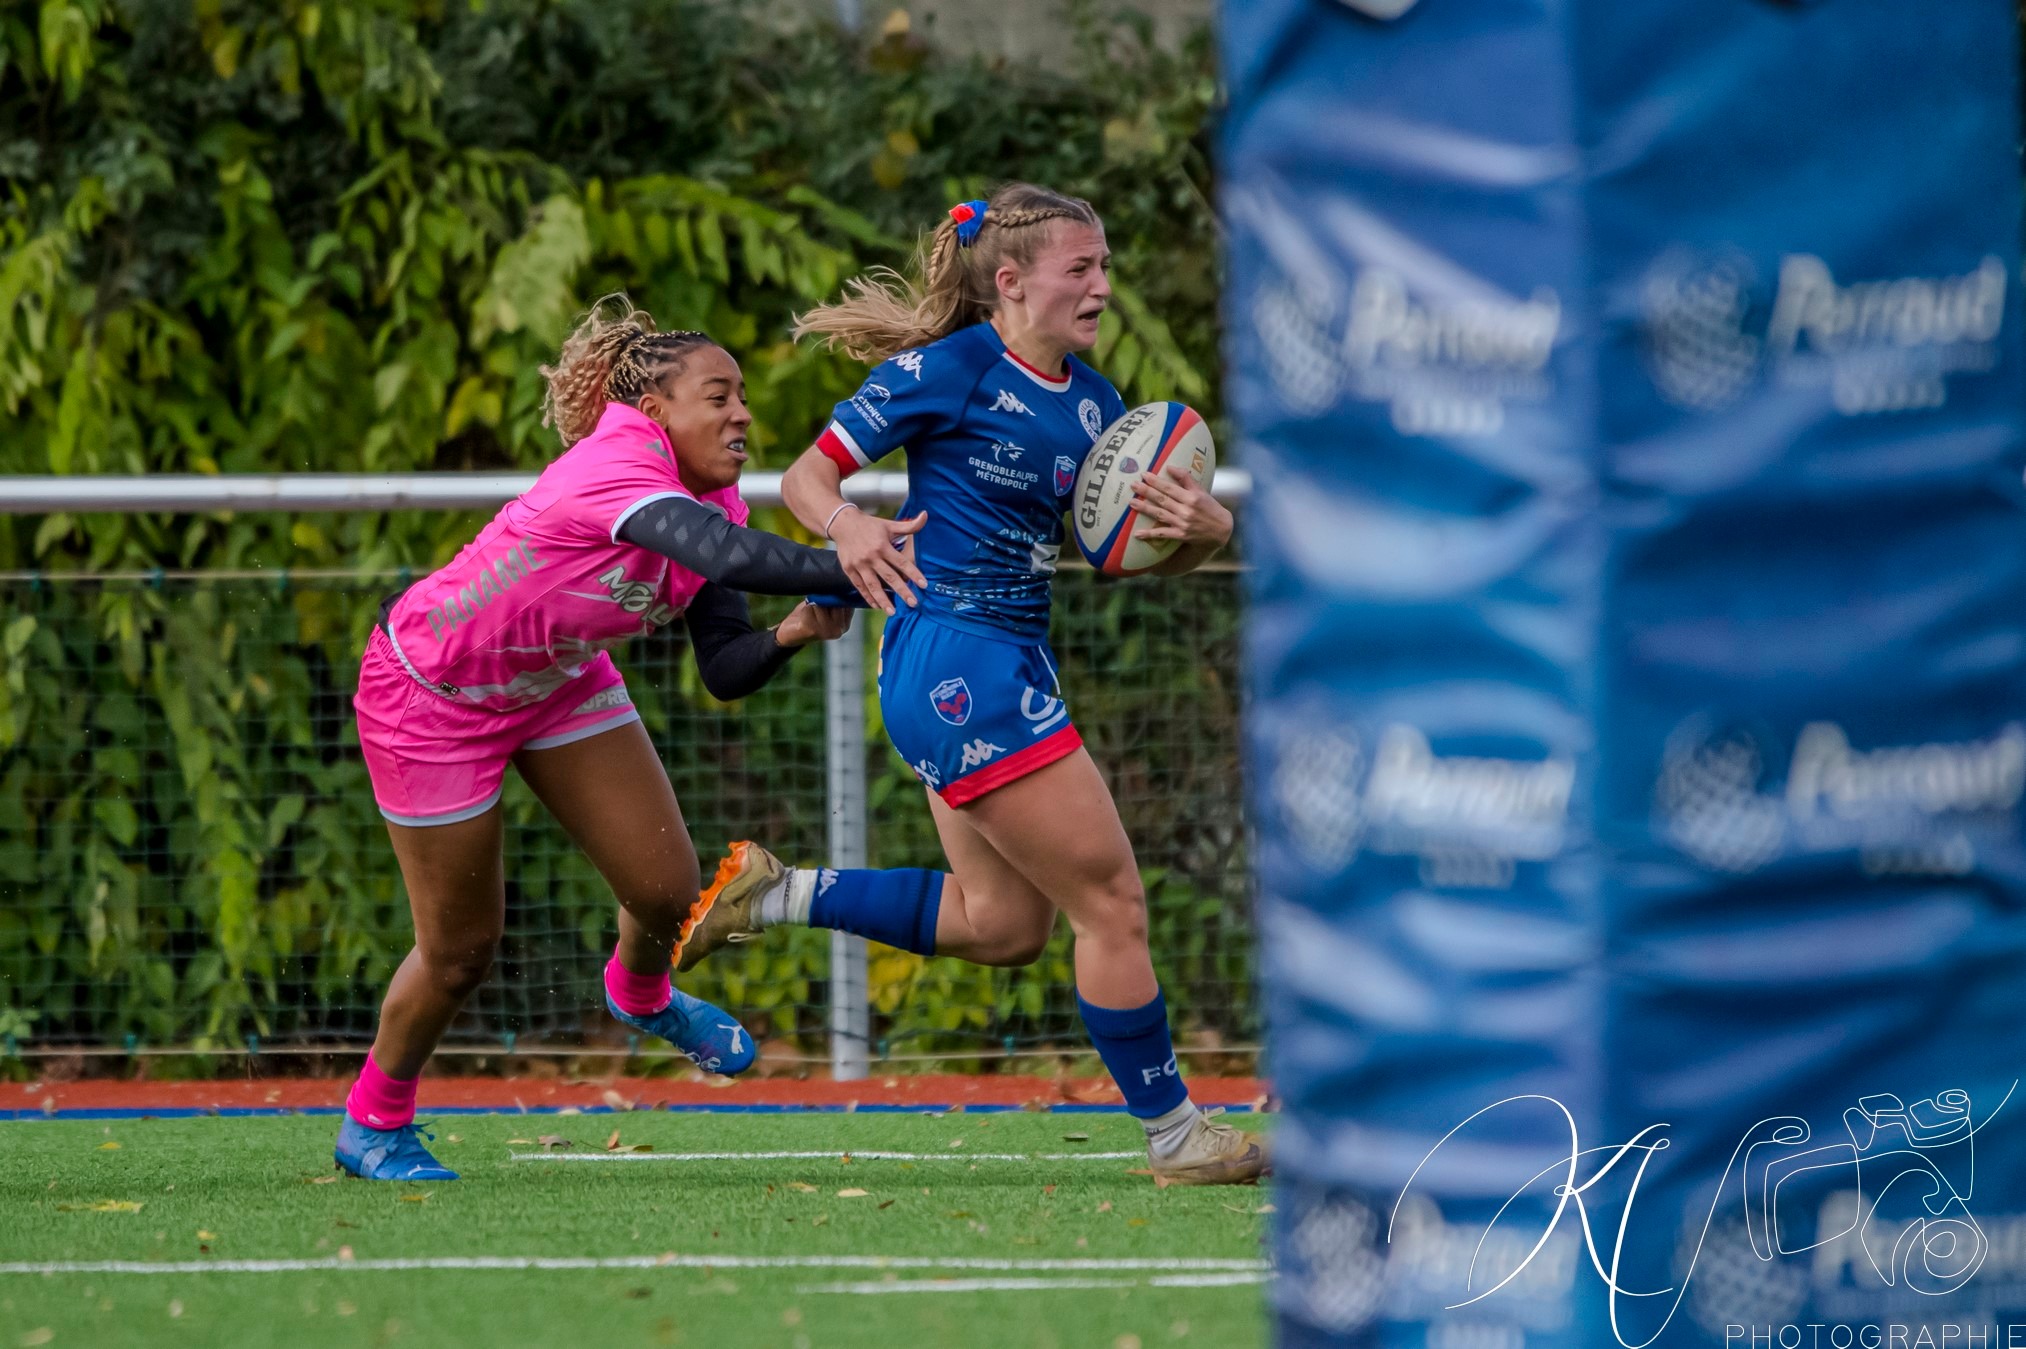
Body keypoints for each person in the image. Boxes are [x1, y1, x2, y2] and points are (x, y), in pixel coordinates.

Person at [677, 185, 1266, 1186]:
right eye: (1080, 268)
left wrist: (1206, 538)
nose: (1101, 286)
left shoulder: (1096, 405)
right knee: (1113, 904)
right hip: (957, 660)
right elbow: (805, 480)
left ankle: (776, 893)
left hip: (997, 659)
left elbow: (1120, 554)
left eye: (1104, 266)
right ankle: (1176, 1136)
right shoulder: (947, 369)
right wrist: (850, 527)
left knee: (1003, 923)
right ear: (1009, 280)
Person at [336, 297, 916, 1181]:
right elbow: (726, 556)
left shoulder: (711, 494)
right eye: (718, 396)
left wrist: (795, 631)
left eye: (744, 398)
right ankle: (373, 1122)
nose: (743, 414)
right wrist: (852, 554)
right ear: (655, 414)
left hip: (555, 679)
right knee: (460, 950)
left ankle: (640, 993)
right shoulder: (616, 458)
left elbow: (722, 662)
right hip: (429, 690)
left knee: (667, 890)